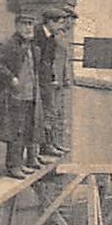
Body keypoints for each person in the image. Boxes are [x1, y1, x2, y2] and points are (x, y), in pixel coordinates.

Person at [0, 14, 44, 178]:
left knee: (27, 130)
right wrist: (10, 77)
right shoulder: (8, 44)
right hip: (13, 96)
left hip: (30, 95)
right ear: (17, 26)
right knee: (16, 131)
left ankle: (20, 163)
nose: (28, 28)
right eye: (25, 24)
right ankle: (13, 166)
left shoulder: (33, 47)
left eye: (31, 24)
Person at [36, 8, 74, 159]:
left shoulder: (51, 36)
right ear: (50, 21)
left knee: (52, 112)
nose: (64, 25)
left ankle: (50, 144)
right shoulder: (40, 34)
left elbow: (51, 60)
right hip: (41, 80)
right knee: (46, 113)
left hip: (50, 79)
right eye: (61, 21)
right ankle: (45, 146)